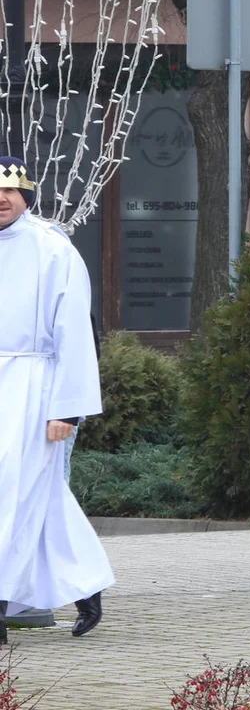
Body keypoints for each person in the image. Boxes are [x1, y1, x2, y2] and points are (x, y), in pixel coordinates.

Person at [0, 157, 114, 645]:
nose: (1, 199)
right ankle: (85, 586)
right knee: (32, 495)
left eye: (10, 190)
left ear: (27, 196)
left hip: (31, 385)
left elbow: (73, 333)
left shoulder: (53, 249)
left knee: (13, 491)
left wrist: (67, 408)